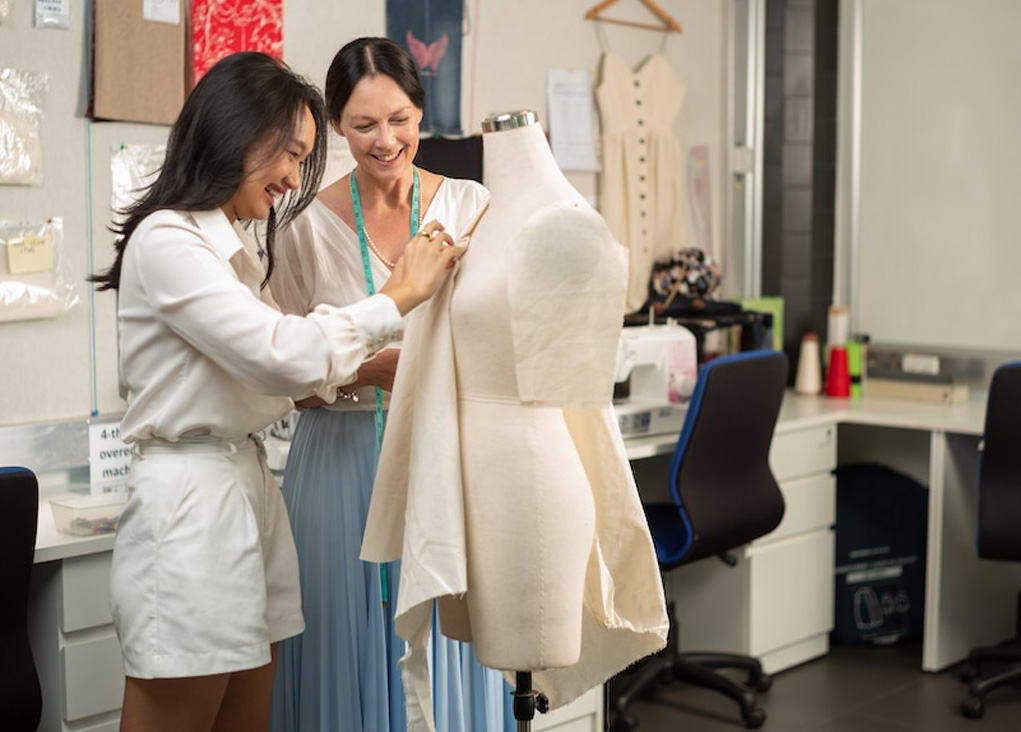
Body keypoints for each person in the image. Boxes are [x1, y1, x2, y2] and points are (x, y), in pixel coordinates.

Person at [89, 51, 457, 732]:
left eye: (303, 158)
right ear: (234, 134)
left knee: (248, 716)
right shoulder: (168, 240)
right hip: (191, 506)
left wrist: (354, 370)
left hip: (246, 485)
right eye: (289, 154)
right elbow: (279, 354)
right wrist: (400, 293)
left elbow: (264, 373)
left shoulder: (232, 248)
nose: (293, 178)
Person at [361, 110, 669, 730]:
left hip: (531, 482)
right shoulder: (475, 215)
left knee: (524, 665)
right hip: (478, 478)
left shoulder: (563, 222)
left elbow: (580, 372)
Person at [267, 37, 507, 732]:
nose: (385, 140)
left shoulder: (471, 207)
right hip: (342, 470)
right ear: (335, 125)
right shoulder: (302, 224)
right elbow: (283, 376)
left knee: (451, 641)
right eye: (364, 125)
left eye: (399, 119)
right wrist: (367, 372)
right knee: (349, 649)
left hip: (449, 463)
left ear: (421, 113)